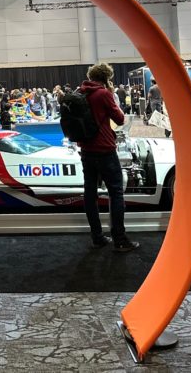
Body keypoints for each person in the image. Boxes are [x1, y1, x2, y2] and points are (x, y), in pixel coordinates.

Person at [78, 63, 139, 252]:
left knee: (90, 194)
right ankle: (120, 239)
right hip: (104, 149)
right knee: (116, 193)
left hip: (86, 150)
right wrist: (111, 95)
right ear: (106, 77)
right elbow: (120, 119)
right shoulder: (103, 94)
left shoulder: (80, 92)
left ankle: (97, 237)